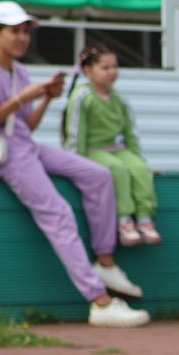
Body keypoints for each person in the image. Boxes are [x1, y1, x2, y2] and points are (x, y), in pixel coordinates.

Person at [0, 3, 149, 327]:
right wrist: (24, 97)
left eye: (25, 31)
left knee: (99, 175)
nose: (22, 38)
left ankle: (105, 261)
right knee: (58, 213)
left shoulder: (19, 71)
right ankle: (100, 302)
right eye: (14, 31)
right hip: (2, 154)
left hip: (25, 145)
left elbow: (26, 126)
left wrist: (47, 97)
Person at [61, 43, 160, 248]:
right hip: (92, 151)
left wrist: (140, 160)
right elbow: (75, 132)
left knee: (139, 169)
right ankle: (124, 220)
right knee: (117, 170)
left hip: (117, 150)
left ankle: (144, 218)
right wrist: (76, 163)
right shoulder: (82, 97)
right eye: (105, 68)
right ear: (88, 71)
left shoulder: (120, 100)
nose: (112, 72)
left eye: (115, 67)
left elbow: (130, 134)